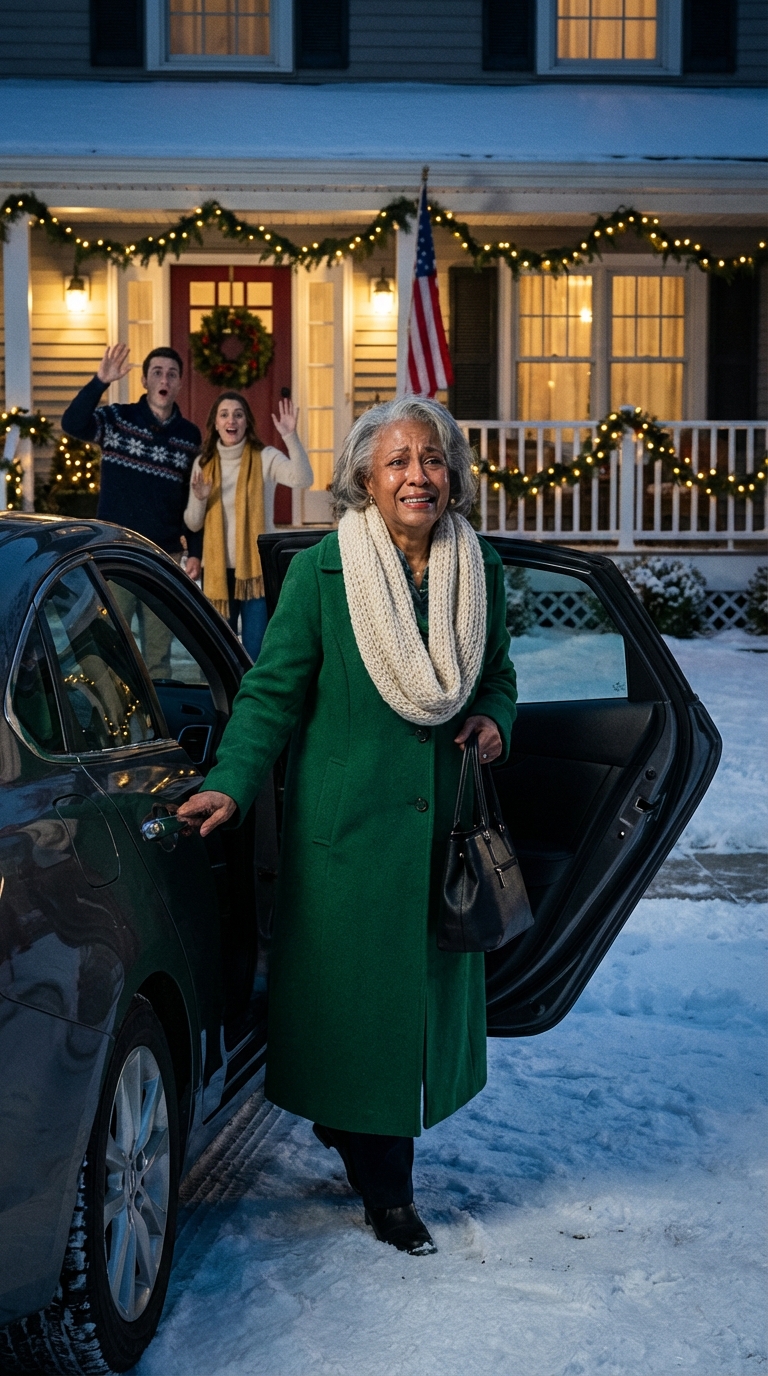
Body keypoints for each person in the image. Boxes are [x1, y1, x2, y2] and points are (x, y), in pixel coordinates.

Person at [178, 397, 518, 1257]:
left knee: (404, 1020)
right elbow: (271, 693)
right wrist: (231, 782)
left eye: (432, 459)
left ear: (452, 475)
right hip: (349, 841)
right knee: (361, 1017)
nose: (417, 475)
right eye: (398, 460)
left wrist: (492, 719)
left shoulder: (478, 570)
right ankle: (389, 1196)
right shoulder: (324, 572)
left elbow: (498, 674)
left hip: (439, 836)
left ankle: (360, 1135)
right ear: (366, 477)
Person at [61, 344, 202, 677]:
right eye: (157, 373)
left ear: (180, 383)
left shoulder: (189, 436)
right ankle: (113, 709)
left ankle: (160, 707)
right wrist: (100, 381)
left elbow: (193, 497)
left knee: (159, 656)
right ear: (144, 380)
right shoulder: (117, 419)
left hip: (163, 556)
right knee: (110, 648)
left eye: (172, 374)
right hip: (115, 551)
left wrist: (194, 551)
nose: (164, 379)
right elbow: (72, 423)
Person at [183, 391, 312, 661]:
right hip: (217, 572)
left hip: (256, 572)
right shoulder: (203, 463)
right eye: (224, 415)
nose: (231, 420)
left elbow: (303, 479)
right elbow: (193, 523)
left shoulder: (265, 457)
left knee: (257, 653)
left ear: (247, 422)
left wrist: (290, 436)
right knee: (221, 654)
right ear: (216, 423)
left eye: (238, 414)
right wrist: (200, 498)